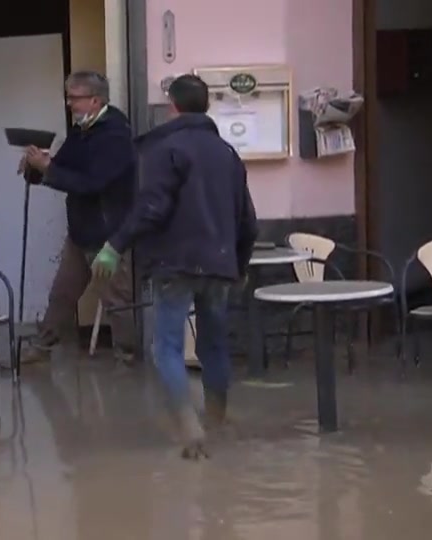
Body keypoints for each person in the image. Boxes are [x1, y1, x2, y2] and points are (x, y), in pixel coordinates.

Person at [90, 74, 258, 459]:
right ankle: (217, 420)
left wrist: (115, 245)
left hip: (174, 264)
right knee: (214, 345)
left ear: (173, 106)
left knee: (165, 347)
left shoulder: (166, 149)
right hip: (219, 264)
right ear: (206, 106)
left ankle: (189, 428)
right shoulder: (228, 154)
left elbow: (152, 207)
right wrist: (241, 264)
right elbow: (248, 219)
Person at [20, 71, 138, 364]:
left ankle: (129, 357)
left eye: (75, 98)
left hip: (107, 233)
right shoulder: (81, 130)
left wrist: (48, 168)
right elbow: (62, 168)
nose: (70, 103)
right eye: (68, 97)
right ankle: (43, 346)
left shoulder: (115, 135)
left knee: (117, 302)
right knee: (62, 293)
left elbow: (93, 182)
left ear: (95, 100)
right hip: (81, 230)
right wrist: (37, 167)